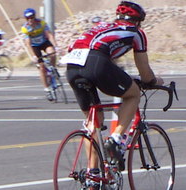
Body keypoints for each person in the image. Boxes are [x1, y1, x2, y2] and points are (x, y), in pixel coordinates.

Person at [63, 1, 163, 174]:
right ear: (138, 21)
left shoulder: (102, 26)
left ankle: (92, 175)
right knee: (133, 94)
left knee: (93, 123)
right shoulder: (136, 32)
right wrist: (155, 81)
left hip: (72, 66)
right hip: (95, 62)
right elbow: (145, 73)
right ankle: (116, 138)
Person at [21, 8, 58, 101]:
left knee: (52, 53)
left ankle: (53, 69)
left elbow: (49, 35)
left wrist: (55, 46)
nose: (30, 19)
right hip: (35, 46)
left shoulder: (41, 23)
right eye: (27, 18)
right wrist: (33, 56)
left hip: (44, 42)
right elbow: (28, 44)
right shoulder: (25, 28)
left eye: (32, 17)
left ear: (34, 16)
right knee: (41, 67)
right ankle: (47, 89)